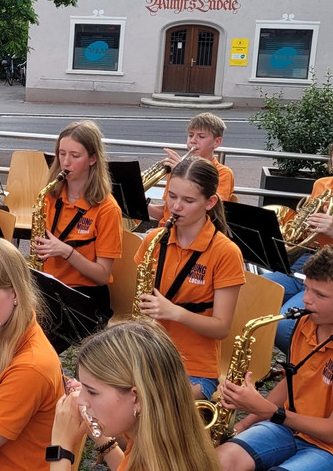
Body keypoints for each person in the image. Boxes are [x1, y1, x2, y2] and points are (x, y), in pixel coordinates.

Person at [135, 156, 244, 399]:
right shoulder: (153, 240)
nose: (175, 207)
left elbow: (221, 328)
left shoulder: (225, 252)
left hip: (195, 369)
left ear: (210, 202)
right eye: (172, 196)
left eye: (188, 200)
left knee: (150, 403)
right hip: (148, 355)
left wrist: (175, 313)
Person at [216, 245, 333, 471]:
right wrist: (247, 421)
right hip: (287, 427)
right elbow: (293, 380)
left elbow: (329, 432)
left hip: (326, 447)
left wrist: (270, 413)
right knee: (218, 461)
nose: (306, 300)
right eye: (306, 288)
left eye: (320, 295)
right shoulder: (306, 323)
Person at [50, 319, 220, 471]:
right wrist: (102, 439)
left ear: (137, 398)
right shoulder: (158, 443)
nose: (81, 400)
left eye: (92, 392)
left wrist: (60, 447)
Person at [32, 120, 122, 350]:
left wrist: (66, 251)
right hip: (51, 288)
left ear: (93, 159)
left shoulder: (107, 209)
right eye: (62, 153)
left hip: (86, 298)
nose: (66, 162)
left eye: (75, 155)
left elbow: (102, 275)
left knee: (35, 342)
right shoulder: (49, 197)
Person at [263, 143, 333, 355]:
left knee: (284, 328)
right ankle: (259, 358)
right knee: (257, 291)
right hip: (307, 258)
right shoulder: (322, 184)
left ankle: (304, 366)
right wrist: (302, 227)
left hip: (329, 271)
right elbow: (305, 232)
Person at [147, 112, 234, 222]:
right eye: (190, 135)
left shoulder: (223, 173)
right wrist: (143, 205)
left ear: (217, 142)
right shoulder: (178, 169)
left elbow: (213, 214)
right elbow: (167, 213)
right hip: (165, 230)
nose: (193, 140)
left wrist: (182, 171)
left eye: (201, 136)